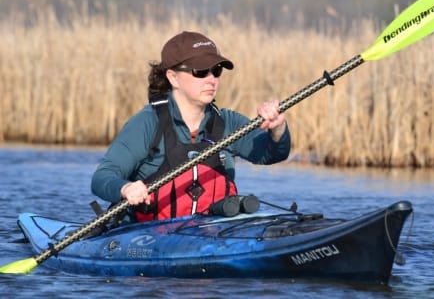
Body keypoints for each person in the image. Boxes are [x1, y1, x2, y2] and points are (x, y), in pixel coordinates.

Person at [91, 31, 290, 221]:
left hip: (212, 234)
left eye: (216, 71)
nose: (212, 79)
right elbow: (102, 178)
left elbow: (271, 154)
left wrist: (277, 128)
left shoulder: (229, 123)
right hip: (149, 237)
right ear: (173, 77)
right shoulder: (147, 124)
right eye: (201, 72)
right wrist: (125, 188)